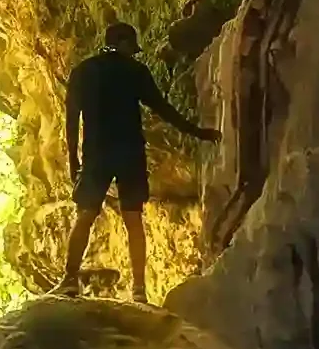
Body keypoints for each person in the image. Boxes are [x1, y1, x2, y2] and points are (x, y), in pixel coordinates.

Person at [53, 22, 219, 301]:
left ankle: (69, 280)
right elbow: (163, 109)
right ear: (125, 43)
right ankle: (139, 290)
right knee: (133, 219)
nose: (134, 53)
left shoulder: (84, 71)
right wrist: (198, 132)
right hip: (130, 153)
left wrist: (72, 156)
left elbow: (72, 118)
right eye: (133, 47)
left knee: (86, 215)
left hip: (97, 153)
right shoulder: (135, 72)